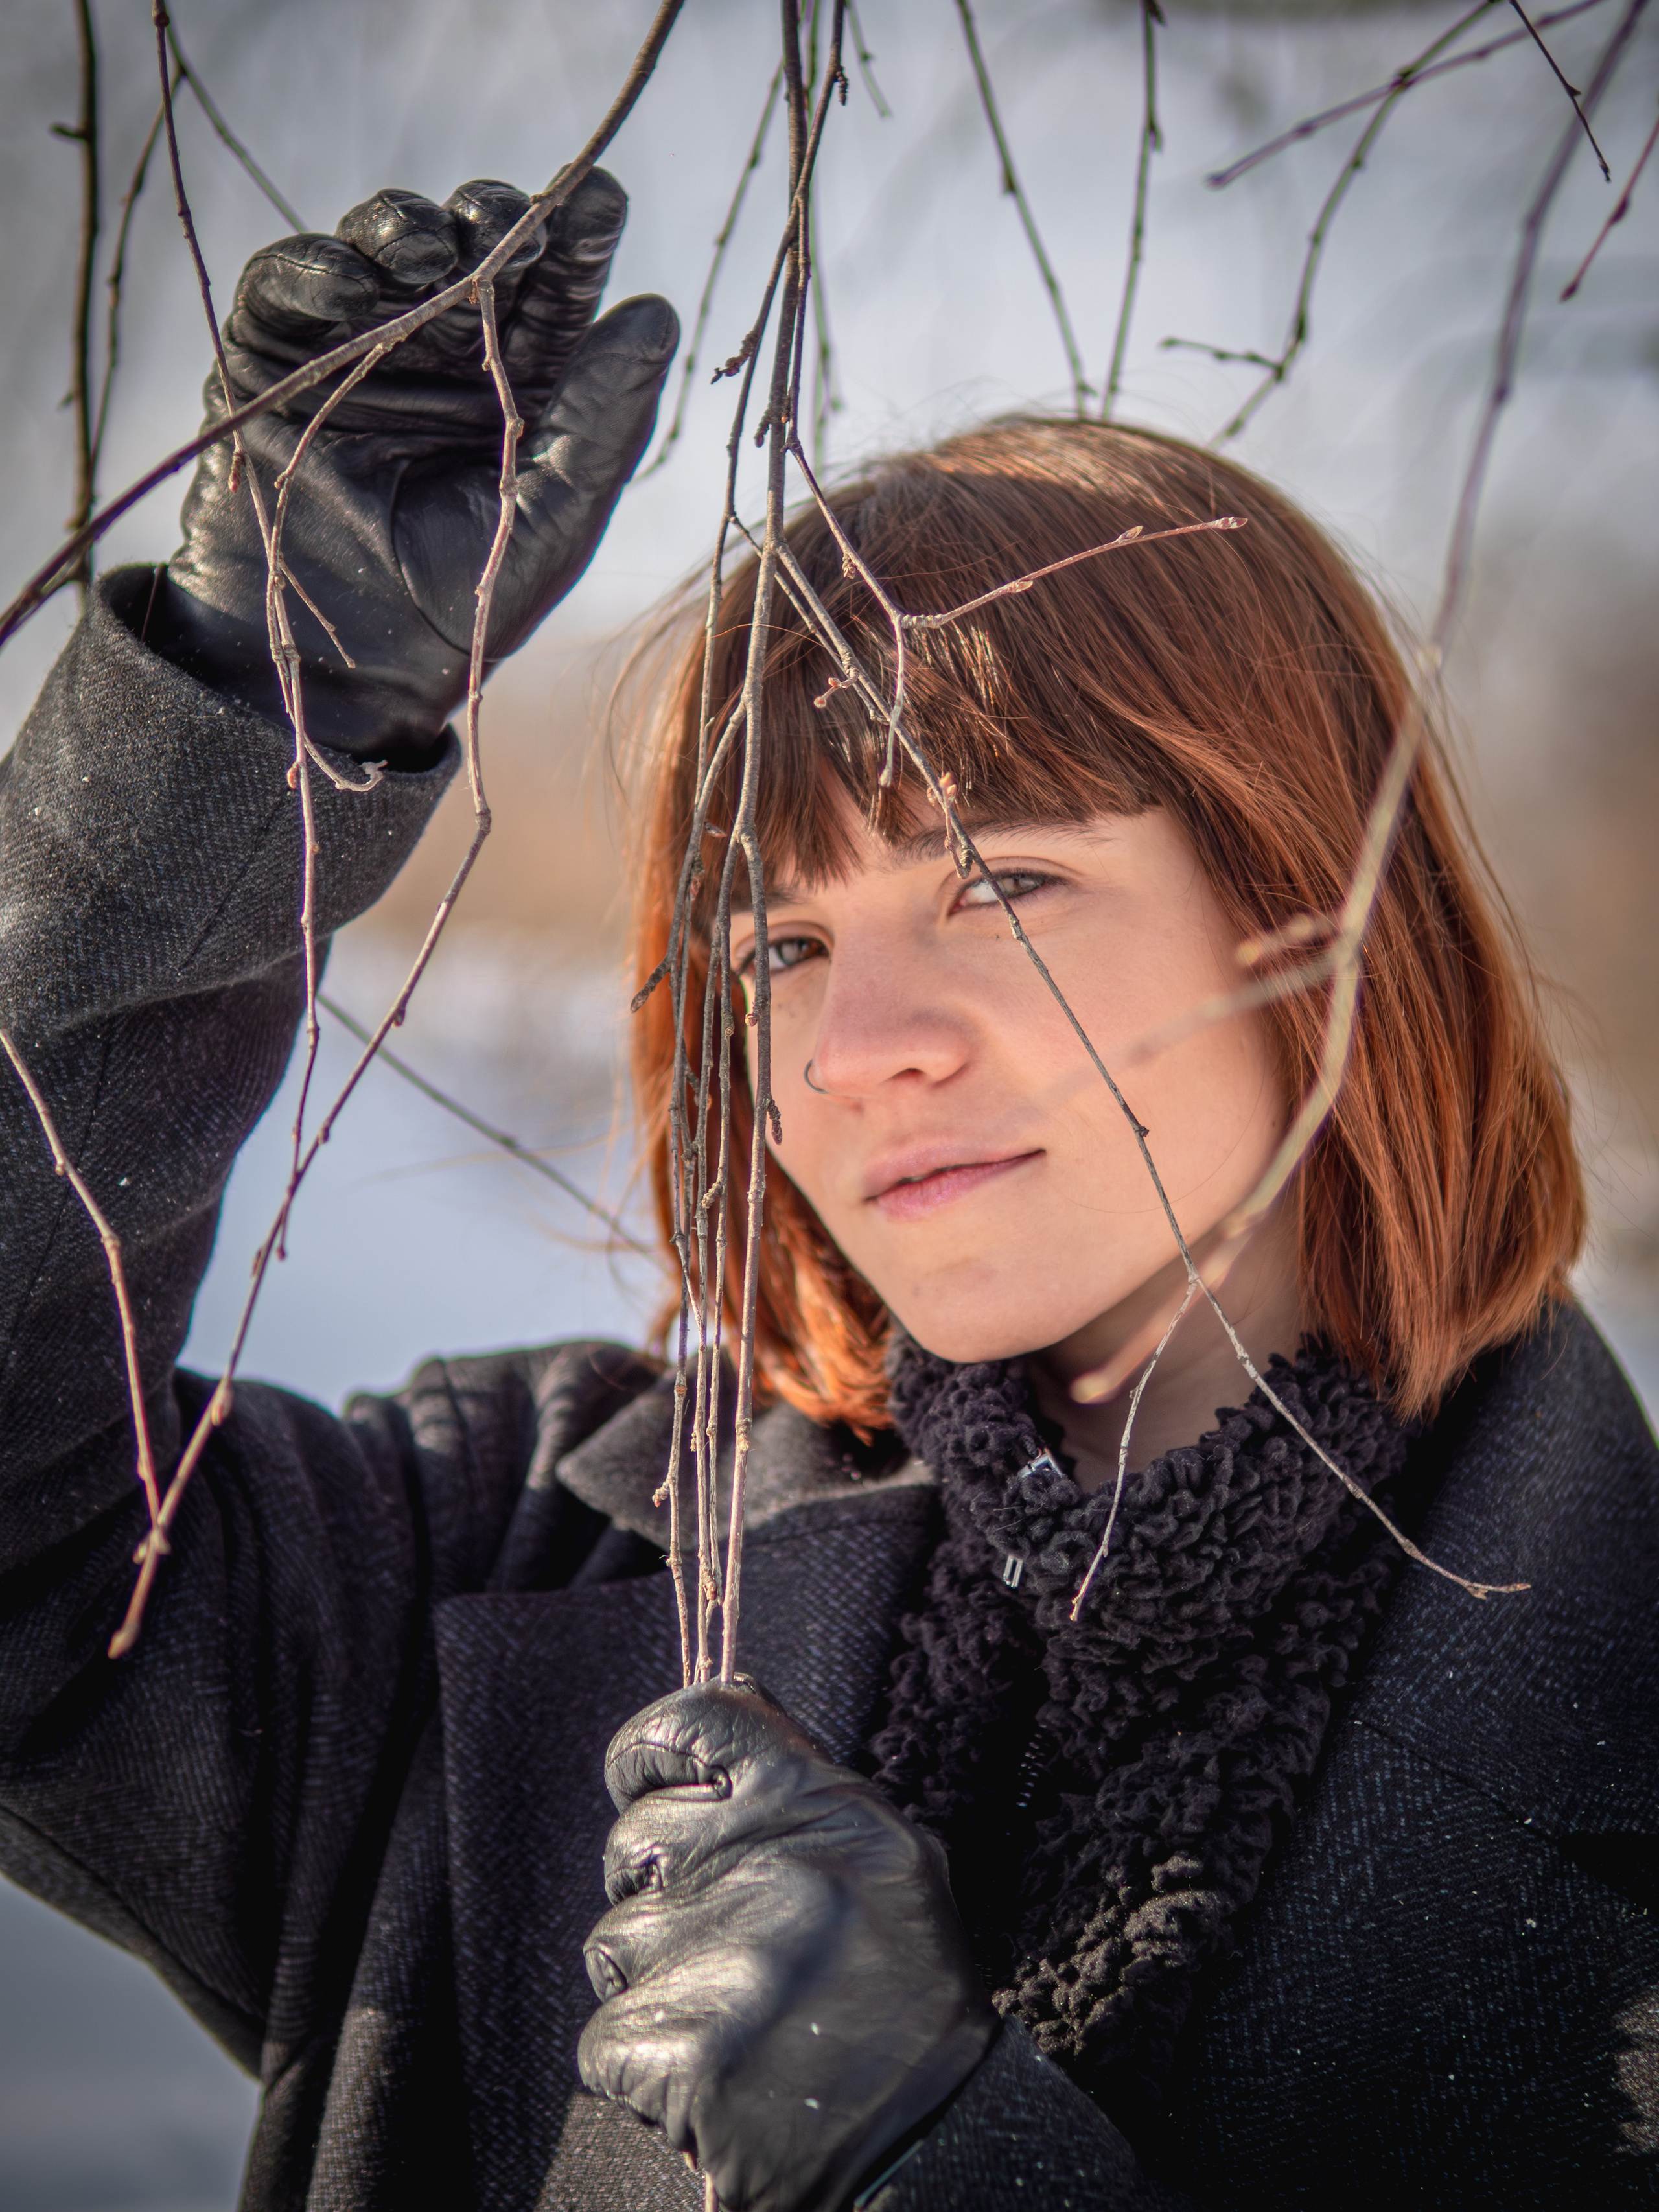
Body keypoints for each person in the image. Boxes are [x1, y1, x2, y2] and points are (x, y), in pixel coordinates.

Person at [0, 169, 1654, 2212]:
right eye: (777, 946)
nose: (863, 1046)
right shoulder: (523, 1551)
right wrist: (253, 713)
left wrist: (938, 2168)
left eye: (1007, 884)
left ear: (1320, 925)